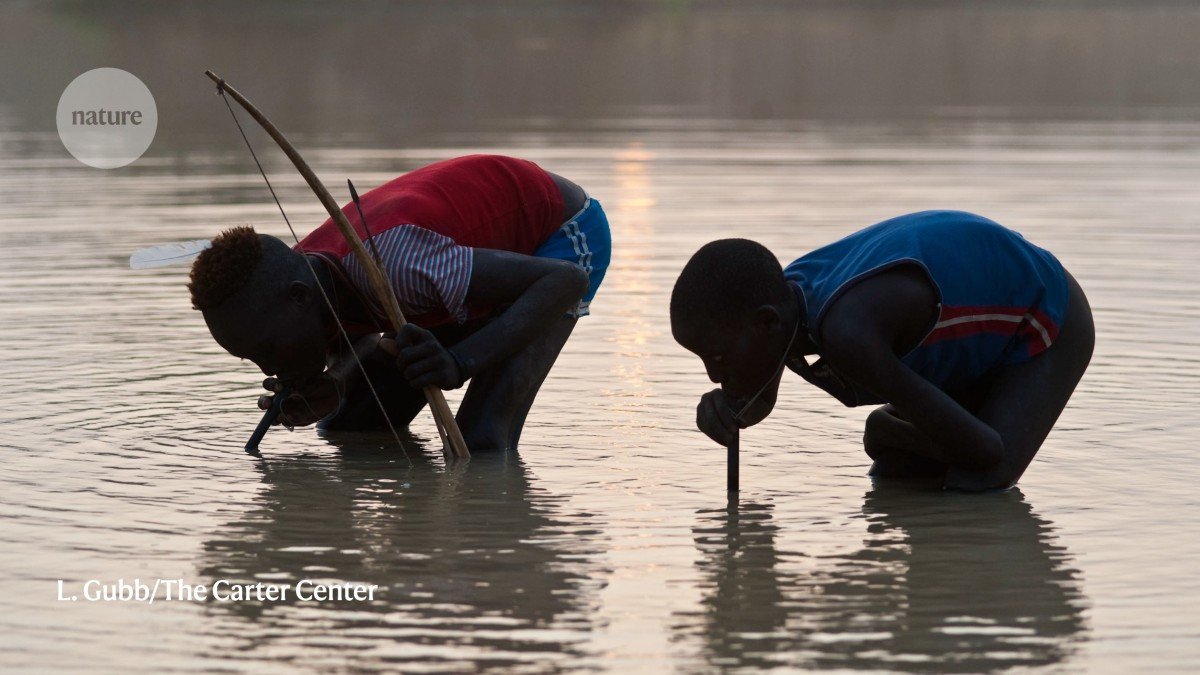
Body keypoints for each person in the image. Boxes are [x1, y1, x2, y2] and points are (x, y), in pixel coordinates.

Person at [188, 154, 611, 452]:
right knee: (350, 428)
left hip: (556, 241)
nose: (268, 369)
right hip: (451, 264)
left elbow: (565, 281)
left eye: (267, 350)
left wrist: (459, 362)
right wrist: (337, 381)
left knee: (479, 441)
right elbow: (362, 330)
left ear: (299, 301)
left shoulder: (396, 267)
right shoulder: (300, 276)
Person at [670, 210, 1094, 491]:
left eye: (719, 357)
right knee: (897, 470)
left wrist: (882, 430)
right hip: (971, 341)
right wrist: (732, 412)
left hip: (1044, 315)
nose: (711, 374)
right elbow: (761, 396)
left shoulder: (848, 334)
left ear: (765, 324)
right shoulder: (784, 304)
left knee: (980, 480)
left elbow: (987, 452)